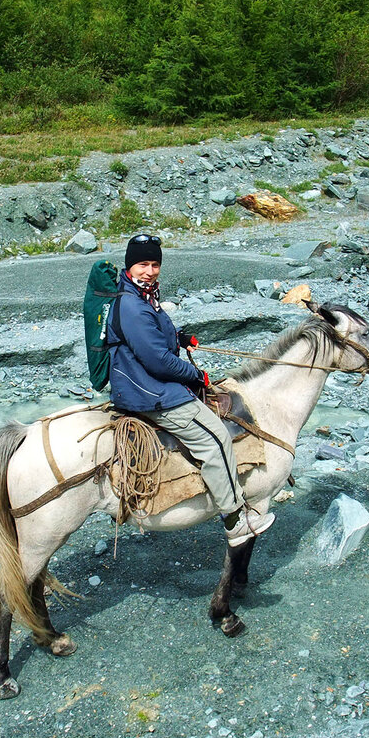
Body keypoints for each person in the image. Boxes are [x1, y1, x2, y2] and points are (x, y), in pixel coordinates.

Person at [107, 233, 274, 547]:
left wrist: (180, 337)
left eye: (155, 264)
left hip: (145, 382)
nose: (150, 270)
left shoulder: (140, 294)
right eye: (143, 263)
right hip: (150, 391)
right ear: (130, 266)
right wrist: (198, 375)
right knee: (216, 439)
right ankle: (235, 520)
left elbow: (156, 331)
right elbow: (158, 362)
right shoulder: (132, 305)